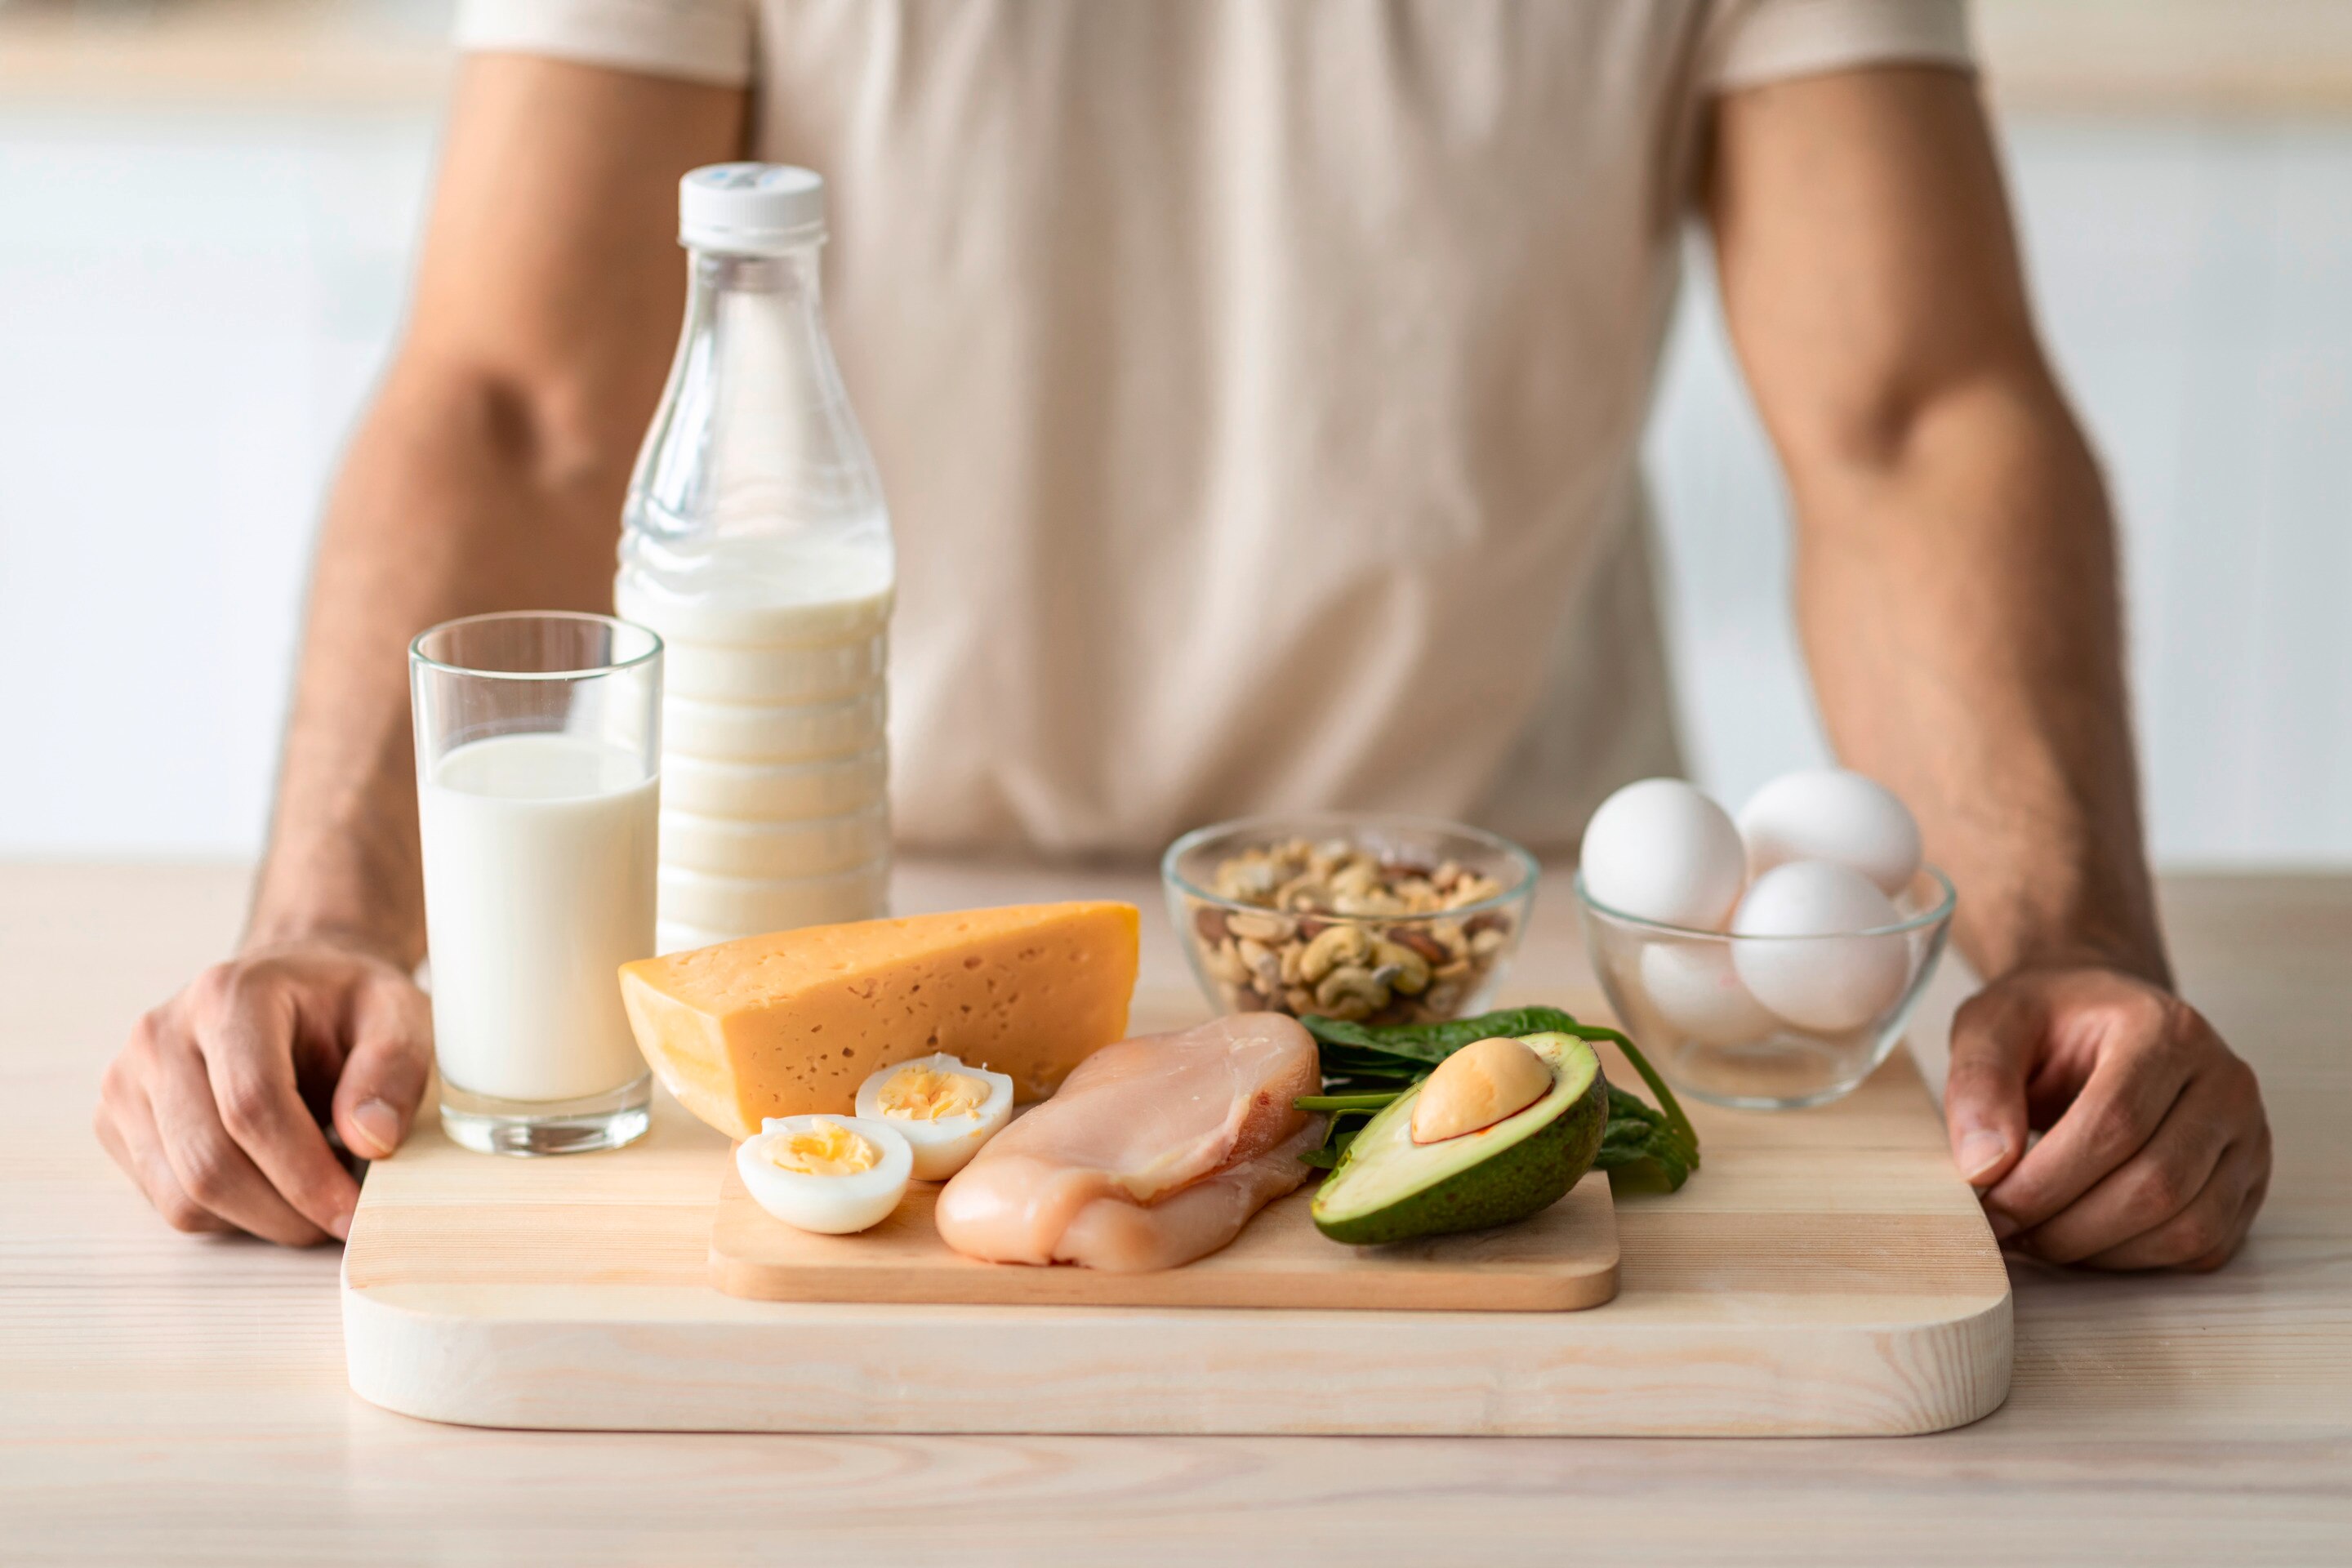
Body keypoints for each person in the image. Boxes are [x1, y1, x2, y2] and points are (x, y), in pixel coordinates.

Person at [95, 1, 2270, 1268]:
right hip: (839, 958)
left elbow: (1914, 413)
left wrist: (2078, 955)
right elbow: (516, 393)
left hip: (1479, 971)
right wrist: (327, 917)